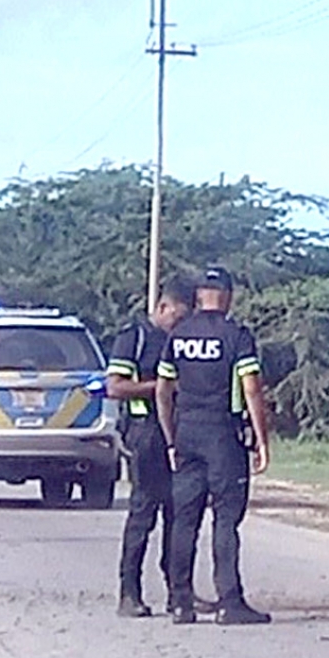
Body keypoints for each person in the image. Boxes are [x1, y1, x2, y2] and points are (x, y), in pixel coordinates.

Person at [156, 266, 272, 625]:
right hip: (224, 435)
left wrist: (171, 437)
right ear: (227, 296)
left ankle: (180, 602)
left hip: (187, 433)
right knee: (225, 519)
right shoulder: (236, 335)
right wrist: (262, 439)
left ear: (199, 296)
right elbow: (251, 388)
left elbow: (163, 390)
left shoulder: (179, 335)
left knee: (184, 520)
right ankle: (229, 602)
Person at [107, 276, 209, 618]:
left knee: (180, 514)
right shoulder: (134, 337)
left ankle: (180, 591)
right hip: (146, 433)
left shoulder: (183, 341)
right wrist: (163, 388)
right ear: (162, 307)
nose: (180, 325)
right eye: (178, 318)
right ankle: (129, 592)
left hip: (182, 433)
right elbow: (116, 388)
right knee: (144, 512)